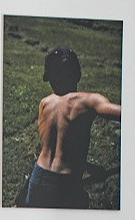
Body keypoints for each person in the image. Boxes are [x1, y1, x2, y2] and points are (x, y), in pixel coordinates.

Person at [19, 46, 121, 209]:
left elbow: (52, 148)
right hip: (65, 184)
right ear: (77, 74)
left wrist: (89, 168)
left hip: (38, 177)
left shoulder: (44, 103)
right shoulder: (89, 101)